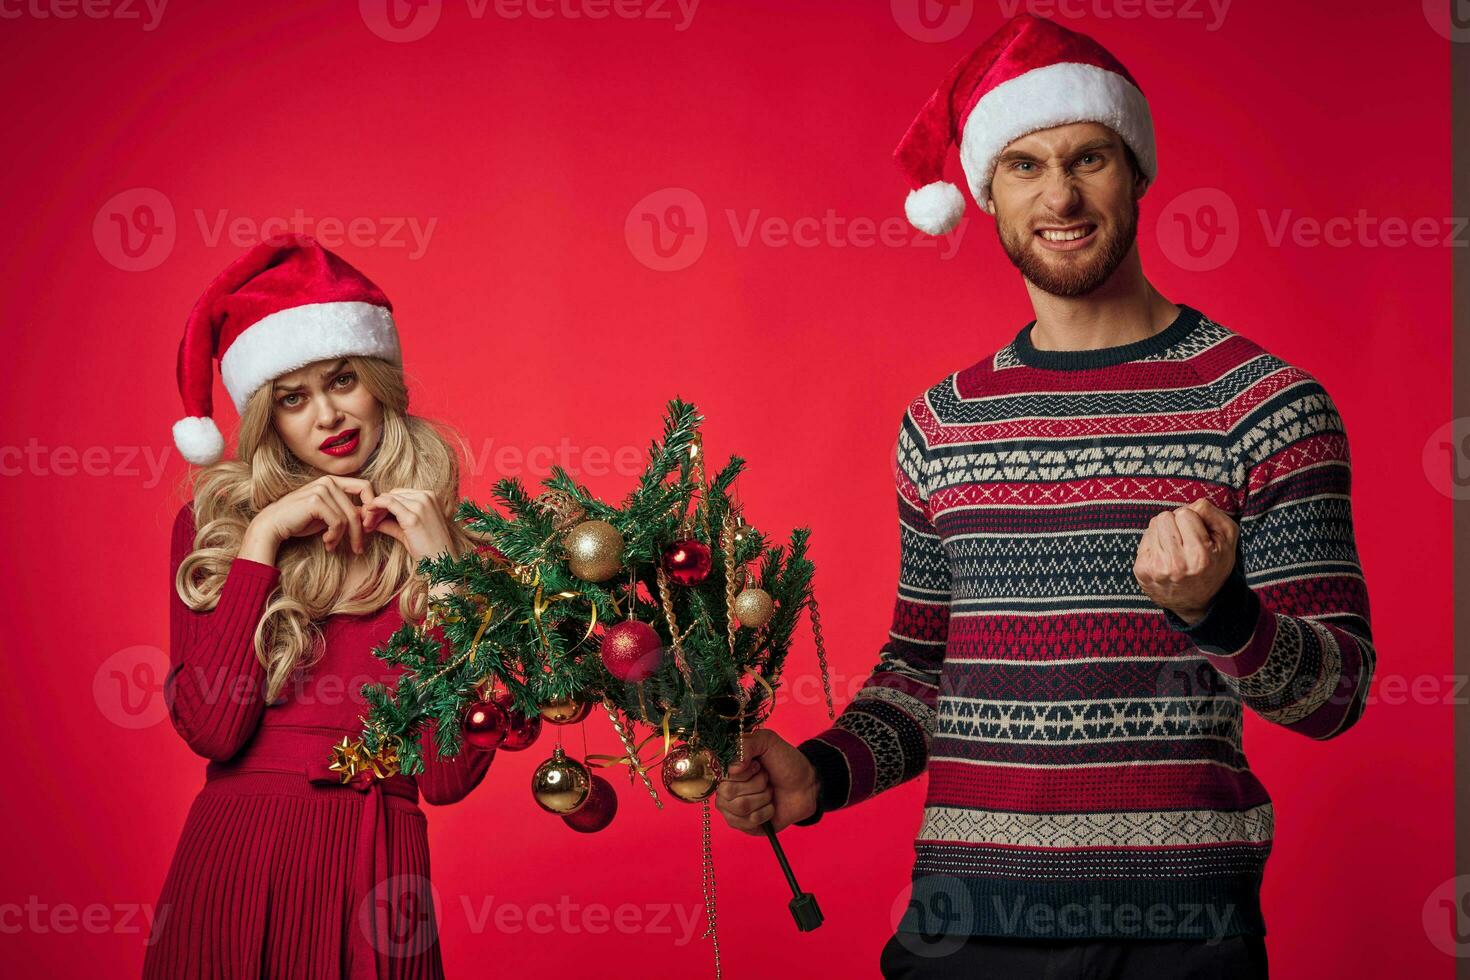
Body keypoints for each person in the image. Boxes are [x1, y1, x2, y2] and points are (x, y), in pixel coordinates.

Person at [714, 14, 1374, 980]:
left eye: (1088, 158)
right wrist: (817, 773)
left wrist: (1218, 611)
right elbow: (920, 671)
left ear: (1137, 171)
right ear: (986, 194)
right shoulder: (942, 424)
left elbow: (1339, 695)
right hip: (963, 922)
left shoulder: (1264, 405)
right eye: (1024, 165)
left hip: (1180, 932)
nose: (1059, 194)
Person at [144, 235, 494, 979]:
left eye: (342, 380)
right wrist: (263, 539)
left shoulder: (465, 552)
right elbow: (212, 727)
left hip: (380, 872)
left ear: (380, 381)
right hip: (234, 869)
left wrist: (448, 576)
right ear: (267, 419)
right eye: (292, 398)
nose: (327, 415)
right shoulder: (220, 532)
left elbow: (446, 775)